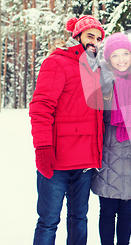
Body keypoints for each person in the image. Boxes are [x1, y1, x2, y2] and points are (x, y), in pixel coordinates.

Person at [30, 15, 105, 245]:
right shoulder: (58, 62)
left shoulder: (97, 68)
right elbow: (41, 107)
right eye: (89, 36)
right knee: (49, 221)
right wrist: (42, 147)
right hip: (57, 160)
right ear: (77, 36)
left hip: (83, 163)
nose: (94, 41)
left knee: (78, 219)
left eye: (99, 38)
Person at [91, 33, 131, 245]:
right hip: (108, 155)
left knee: (127, 210)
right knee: (106, 211)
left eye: (125, 54)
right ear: (108, 59)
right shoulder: (102, 82)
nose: (121, 59)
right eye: (115, 55)